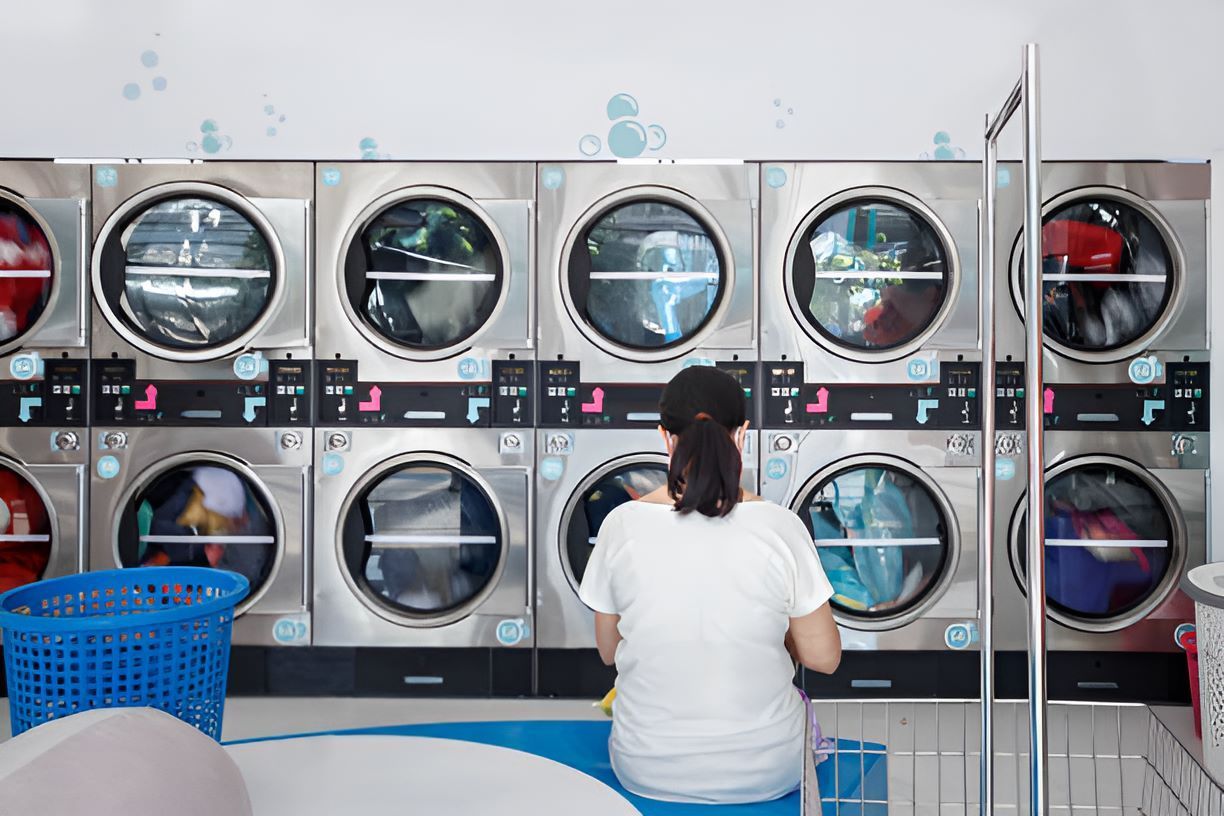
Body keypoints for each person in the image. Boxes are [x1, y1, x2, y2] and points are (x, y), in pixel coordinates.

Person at [578, 365, 841, 804]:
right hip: (771, 768)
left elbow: (609, 651)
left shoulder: (620, 526)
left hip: (645, 765)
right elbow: (824, 658)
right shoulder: (781, 527)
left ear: (665, 438)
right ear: (741, 435)